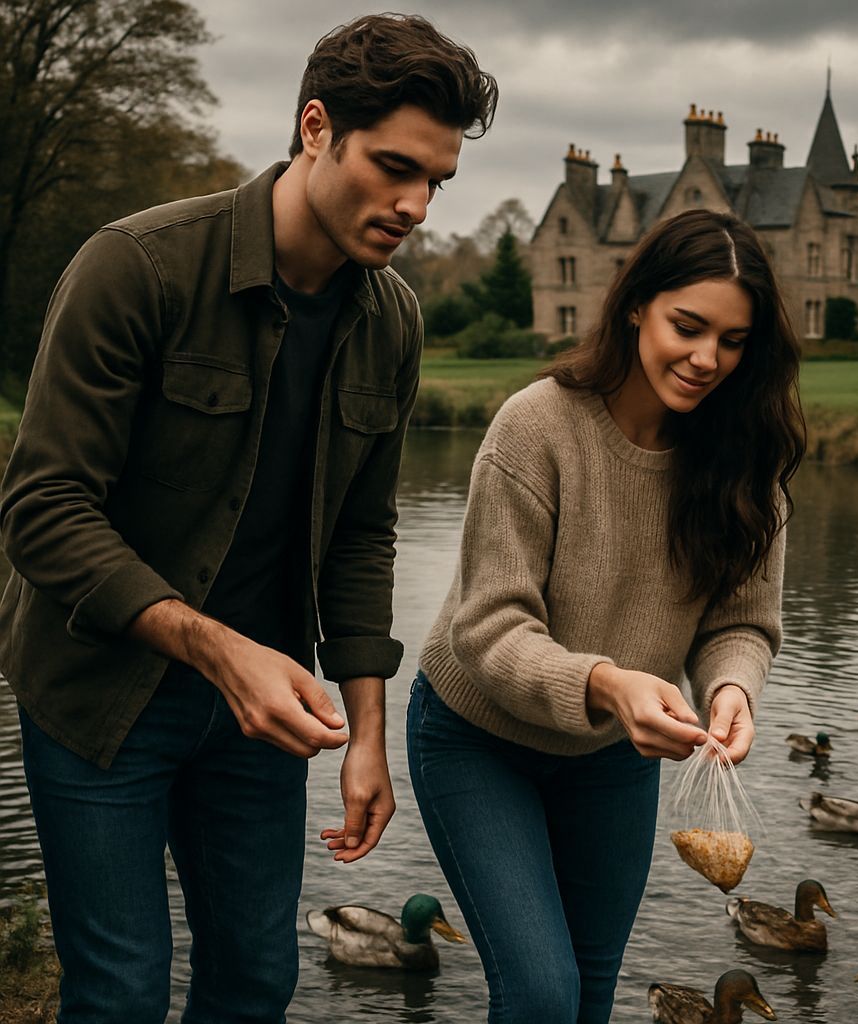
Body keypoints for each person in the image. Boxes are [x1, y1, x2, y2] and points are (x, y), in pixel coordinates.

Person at [0, 14, 496, 1023]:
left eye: (437, 180)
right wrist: (219, 648)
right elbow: (43, 511)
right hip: (97, 694)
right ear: (315, 128)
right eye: (395, 166)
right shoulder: (134, 268)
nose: (415, 206)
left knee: (255, 982)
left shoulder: (393, 320)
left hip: (259, 715)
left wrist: (366, 732)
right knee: (121, 993)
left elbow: (362, 532)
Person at [396, 209, 805, 1023]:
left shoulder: (746, 458)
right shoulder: (536, 427)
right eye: (687, 327)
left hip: (614, 758)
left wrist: (732, 690)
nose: (706, 360)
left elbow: (742, 622)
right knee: (543, 995)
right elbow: (490, 628)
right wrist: (613, 683)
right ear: (633, 306)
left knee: (586, 996)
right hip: (478, 739)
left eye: (732, 342)